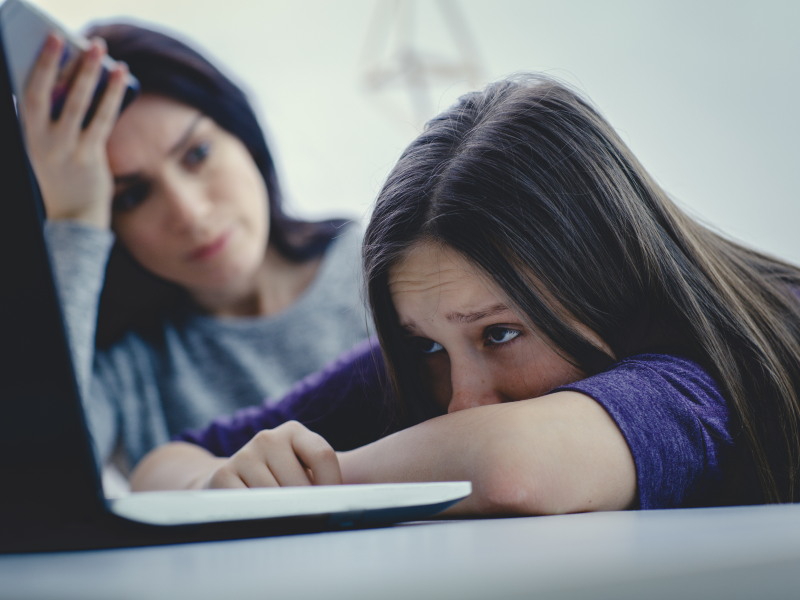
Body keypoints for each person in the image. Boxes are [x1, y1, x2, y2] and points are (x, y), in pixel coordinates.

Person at [129, 75, 800, 515]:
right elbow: (167, 462)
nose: (462, 398)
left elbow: (515, 470)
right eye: (425, 342)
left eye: (500, 334)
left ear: (607, 282)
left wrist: (296, 486)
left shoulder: (701, 374)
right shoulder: (445, 351)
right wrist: (216, 485)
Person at [23, 25, 372, 473]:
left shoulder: (394, 269)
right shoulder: (127, 366)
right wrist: (73, 221)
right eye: (131, 196)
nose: (188, 212)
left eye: (197, 153)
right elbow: (34, 474)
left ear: (242, 134)